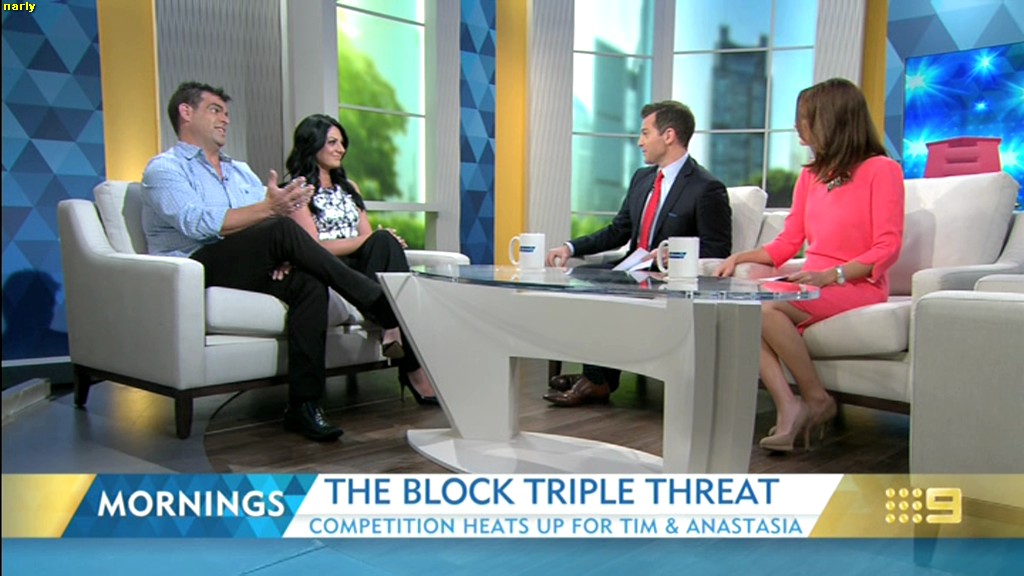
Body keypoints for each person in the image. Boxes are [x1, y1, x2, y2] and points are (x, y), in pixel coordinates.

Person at [141, 81, 412, 442]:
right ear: (185, 113)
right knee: (281, 227)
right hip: (194, 266)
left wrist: (285, 252)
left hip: (250, 260)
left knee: (309, 283)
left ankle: (304, 405)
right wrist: (271, 220)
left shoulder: (239, 171)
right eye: (215, 110)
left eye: (227, 113)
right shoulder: (165, 169)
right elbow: (197, 223)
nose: (225, 119)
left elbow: (270, 221)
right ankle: (382, 304)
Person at [714, 78, 904, 452]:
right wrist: (739, 257)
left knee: (764, 307)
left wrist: (832, 274)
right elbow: (788, 242)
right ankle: (789, 405)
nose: (797, 125)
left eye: (805, 117)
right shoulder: (810, 176)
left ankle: (815, 398)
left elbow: (888, 247)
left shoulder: (881, 169)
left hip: (854, 283)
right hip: (810, 281)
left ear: (832, 119)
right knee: (741, 305)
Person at [542, 100, 733, 407]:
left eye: (645, 133)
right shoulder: (642, 178)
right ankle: (598, 377)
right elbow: (618, 230)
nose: (640, 141)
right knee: (577, 278)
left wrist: (672, 255)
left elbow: (718, 248)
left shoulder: (706, 187)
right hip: (631, 266)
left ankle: (596, 381)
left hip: (664, 277)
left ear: (668, 136)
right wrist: (570, 247)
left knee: (604, 287)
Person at [283, 113, 437, 405]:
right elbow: (312, 248)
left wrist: (379, 239)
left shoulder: (349, 187)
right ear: (311, 144)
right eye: (332, 142)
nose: (340, 149)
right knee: (380, 239)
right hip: (329, 268)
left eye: (342, 143)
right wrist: (367, 240)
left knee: (385, 241)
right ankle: (411, 366)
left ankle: (394, 329)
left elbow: (366, 235)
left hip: (360, 264)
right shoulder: (296, 191)